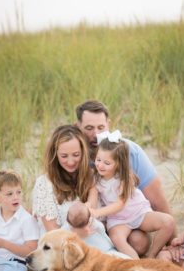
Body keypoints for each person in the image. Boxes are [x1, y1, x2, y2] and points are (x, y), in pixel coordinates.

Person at [75, 99, 172, 253]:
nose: (96, 134)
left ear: (109, 124)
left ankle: (148, 259)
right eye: (89, 128)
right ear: (78, 127)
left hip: (131, 214)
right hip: (99, 222)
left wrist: (172, 243)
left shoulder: (129, 151)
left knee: (138, 242)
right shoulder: (74, 156)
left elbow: (157, 197)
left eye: (101, 127)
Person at [87, 131, 175, 259]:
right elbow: (92, 199)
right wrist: (88, 207)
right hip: (118, 219)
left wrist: (98, 212)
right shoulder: (95, 179)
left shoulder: (124, 178)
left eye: (107, 163)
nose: (100, 165)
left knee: (168, 222)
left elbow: (120, 204)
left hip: (138, 212)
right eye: (98, 159)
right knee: (117, 239)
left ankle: (151, 256)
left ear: (118, 163)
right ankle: (137, 263)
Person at [32, 125, 93, 232]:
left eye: (76, 155)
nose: (70, 162)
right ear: (55, 155)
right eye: (64, 156)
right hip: (61, 244)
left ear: (83, 153)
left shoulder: (92, 177)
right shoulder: (44, 183)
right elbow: (53, 231)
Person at [61, 201, 129, 258]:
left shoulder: (66, 228)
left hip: (90, 255)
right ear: (89, 216)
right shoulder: (93, 224)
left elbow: (61, 235)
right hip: (105, 249)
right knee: (121, 258)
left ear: (68, 220)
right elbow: (102, 228)